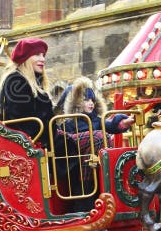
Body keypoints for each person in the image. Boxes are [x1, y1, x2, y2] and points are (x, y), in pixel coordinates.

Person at [57, 77, 135, 211]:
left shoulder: (96, 120)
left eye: (92, 100)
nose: (91, 103)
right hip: (78, 168)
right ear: (77, 102)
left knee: (104, 138)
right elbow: (65, 141)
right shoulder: (68, 123)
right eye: (86, 99)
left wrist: (122, 122)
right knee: (98, 137)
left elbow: (109, 124)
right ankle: (83, 204)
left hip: (96, 165)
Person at [0, 38, 56, 148]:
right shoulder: (16, 81)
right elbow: (21, 122)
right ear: (26, 58)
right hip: (36, 144)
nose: (42, 59)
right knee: (96, 138)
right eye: (37, 55)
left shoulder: (33, 81)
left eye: (43, 55)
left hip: (49, 141)